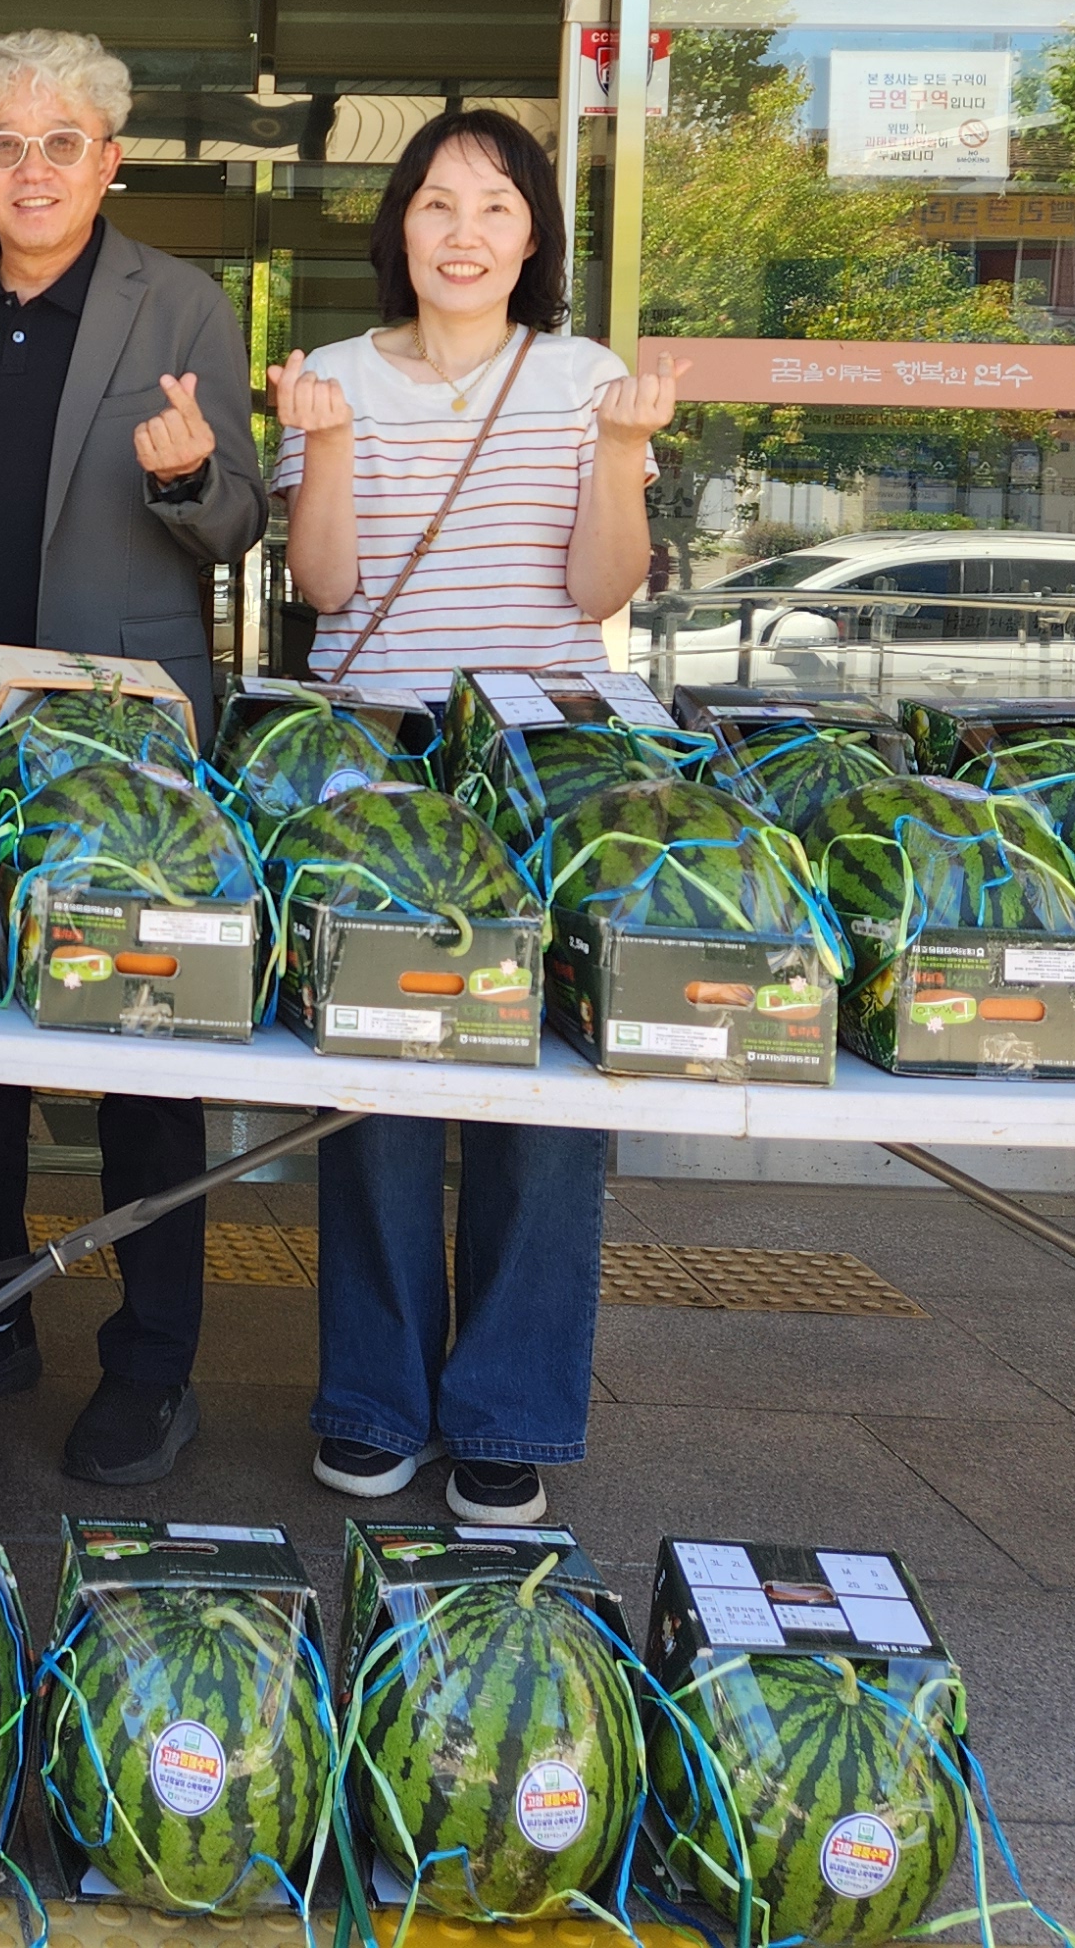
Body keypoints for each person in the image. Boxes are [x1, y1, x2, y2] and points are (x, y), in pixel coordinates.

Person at [272, 104, 683, 1528]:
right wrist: (318, 448)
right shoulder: (327, 375)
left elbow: (596, 596)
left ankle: (507, 1408)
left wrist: (624, 452)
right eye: (438, 206)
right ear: (399, 225)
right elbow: (324, 588)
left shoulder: (585, 377)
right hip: (376, 761)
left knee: (545, 1095)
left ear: (534, 236)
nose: (463, 235)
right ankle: (374, 1400)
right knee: (380, 1079)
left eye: (496, 210)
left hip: (543, 762)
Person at [0, 27, 267, 1490]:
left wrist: (183, 479)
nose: (32, 168)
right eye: (2, 142)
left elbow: (233, 520)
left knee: (138, 1056)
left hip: (116, 751)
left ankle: (154, 1360)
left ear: (109, 160)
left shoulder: (180, 304)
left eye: (62, 142)